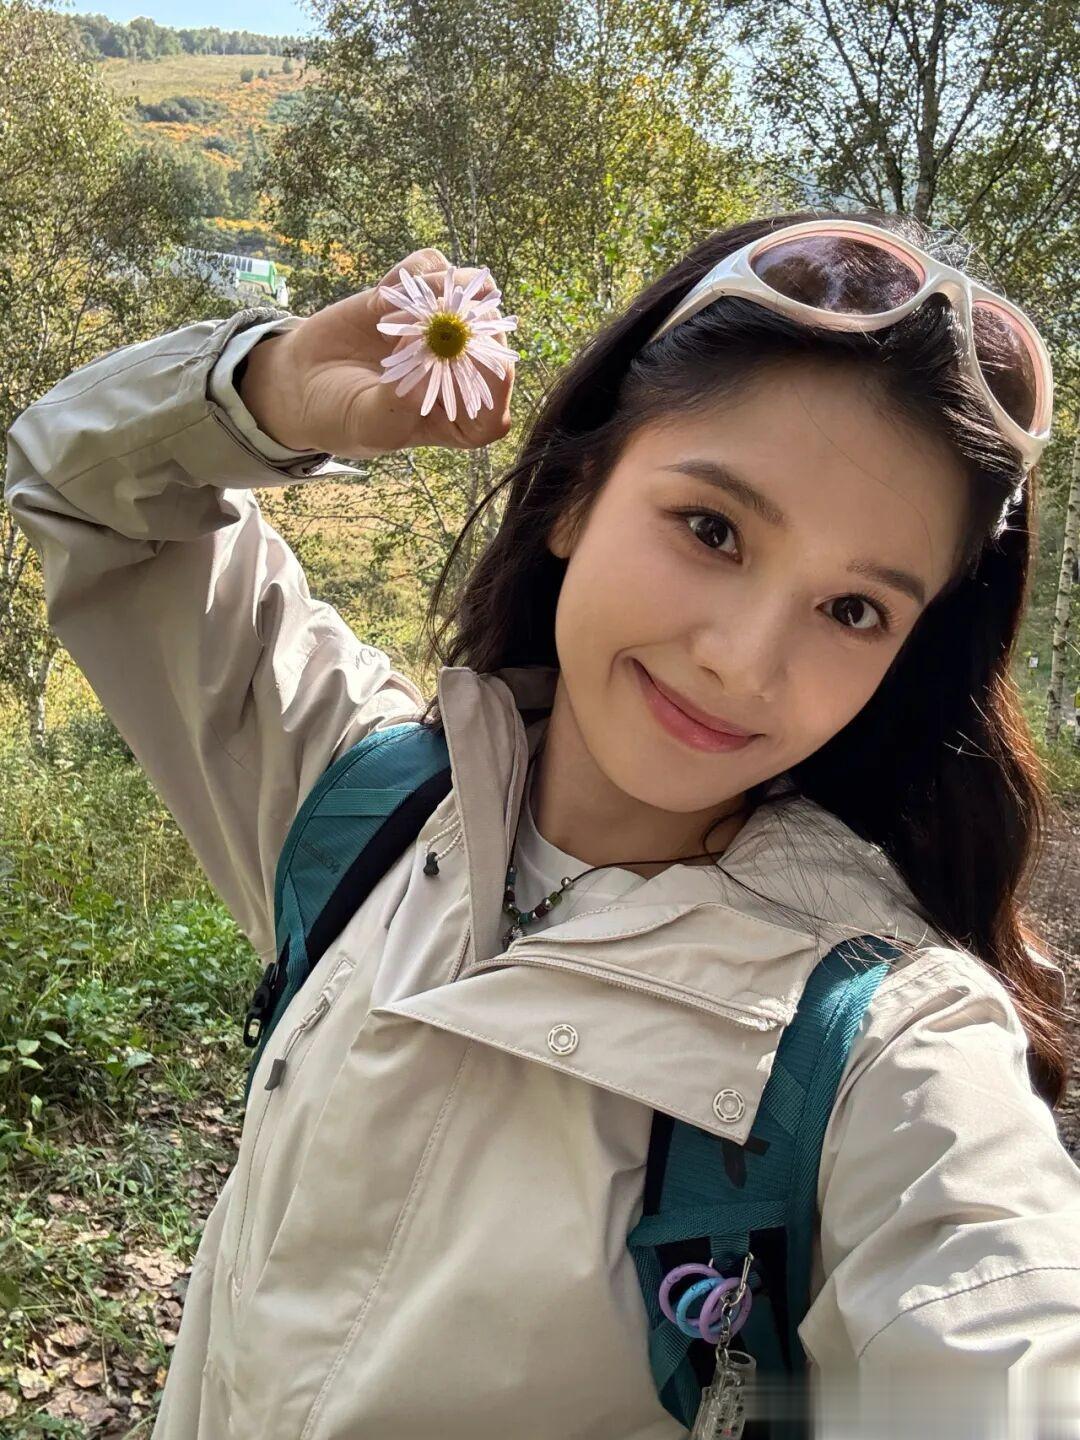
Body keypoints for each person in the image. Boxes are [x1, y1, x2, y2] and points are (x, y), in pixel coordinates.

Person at [6, 208, 1080, 1440]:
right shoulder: (366, 799)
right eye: (713, 529)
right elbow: (75, 482)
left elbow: (1002, 1334)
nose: (742, 662)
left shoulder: (882, 1052)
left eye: (852, 611)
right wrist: (278, 386)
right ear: (573, 494)